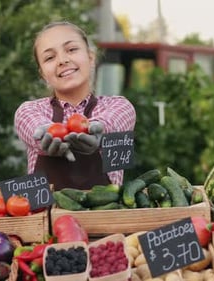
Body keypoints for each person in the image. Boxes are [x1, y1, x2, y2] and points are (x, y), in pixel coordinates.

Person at [14, 21, 136, 190]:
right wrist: (45, 136)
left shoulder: (118, 105)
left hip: (105, 214)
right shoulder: (30, 110)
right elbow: (33, 126)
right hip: (45, 215)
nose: (62, 60)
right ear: (43, 74)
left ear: (91, 57)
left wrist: (98, 130)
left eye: (71, 49)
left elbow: (112, 122)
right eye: (50, 57)